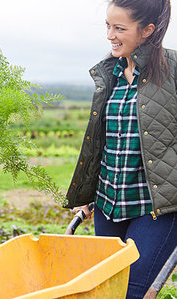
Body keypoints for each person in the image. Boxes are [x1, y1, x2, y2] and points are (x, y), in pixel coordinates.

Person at [65, 0, 176, 298]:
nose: (110, 35)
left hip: (153, 207)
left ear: (147, 30)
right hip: (108, 205)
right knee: (107, 291)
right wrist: (87, 194)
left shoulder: (173, 71)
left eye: (120, 28)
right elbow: (100, 143)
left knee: (131, 292)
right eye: (108, 26)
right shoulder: (108, 75)